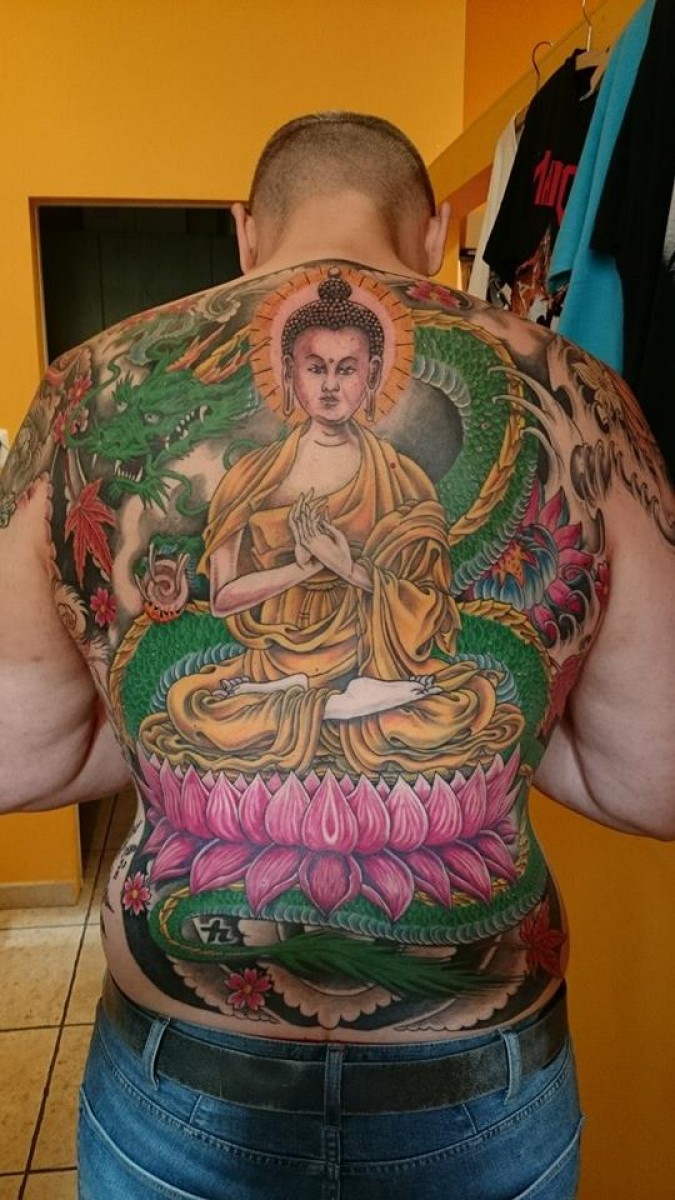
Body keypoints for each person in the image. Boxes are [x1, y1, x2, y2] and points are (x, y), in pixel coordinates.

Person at [0, 111, 673, 1200]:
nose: (327, 386)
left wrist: (355, 579)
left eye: (346, 371)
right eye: (312, 369)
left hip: (184, 1073)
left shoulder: (82, 382)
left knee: (413, 701)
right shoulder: (588, 395)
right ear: (438, 231)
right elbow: (654, 776)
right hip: (479, 1074)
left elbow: (18, 755)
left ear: (245, 231)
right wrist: (295, 581)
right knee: (236, 700)